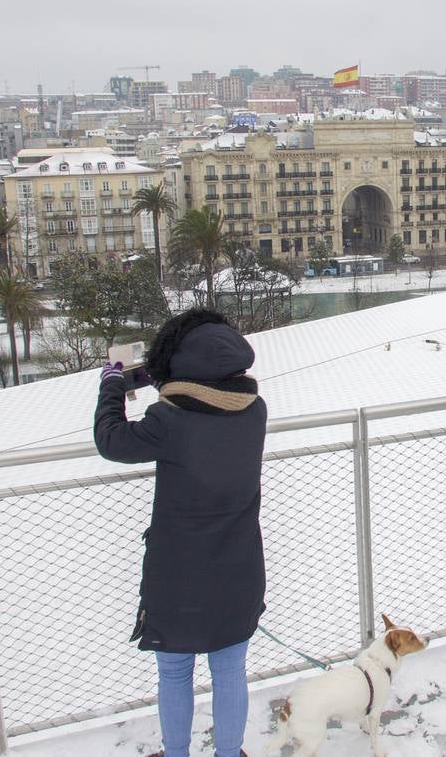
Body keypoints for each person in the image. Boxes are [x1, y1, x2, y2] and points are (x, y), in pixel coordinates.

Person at [94, 308, 266, 757]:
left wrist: (113, 383)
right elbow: (209, 397)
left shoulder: (167, 421)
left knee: (174, 673)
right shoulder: (255, 410)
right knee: (230, 670)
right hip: (239, 567)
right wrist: (164, 381)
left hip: (178, 575)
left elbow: (112, 440)